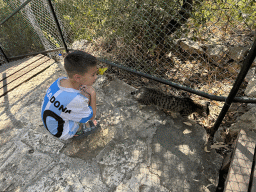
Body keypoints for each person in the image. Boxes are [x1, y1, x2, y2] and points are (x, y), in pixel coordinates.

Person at [41, 50, 98, 140]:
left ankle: (78, 117)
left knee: (81, 101)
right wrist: (93, 93)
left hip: (50, 123)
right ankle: (77, 130)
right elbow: (92, 116)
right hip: (61, 132)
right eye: (93, 75)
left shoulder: (60, 81)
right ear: (77, 78)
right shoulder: (77, 100)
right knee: (88, 113)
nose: (96, 77)